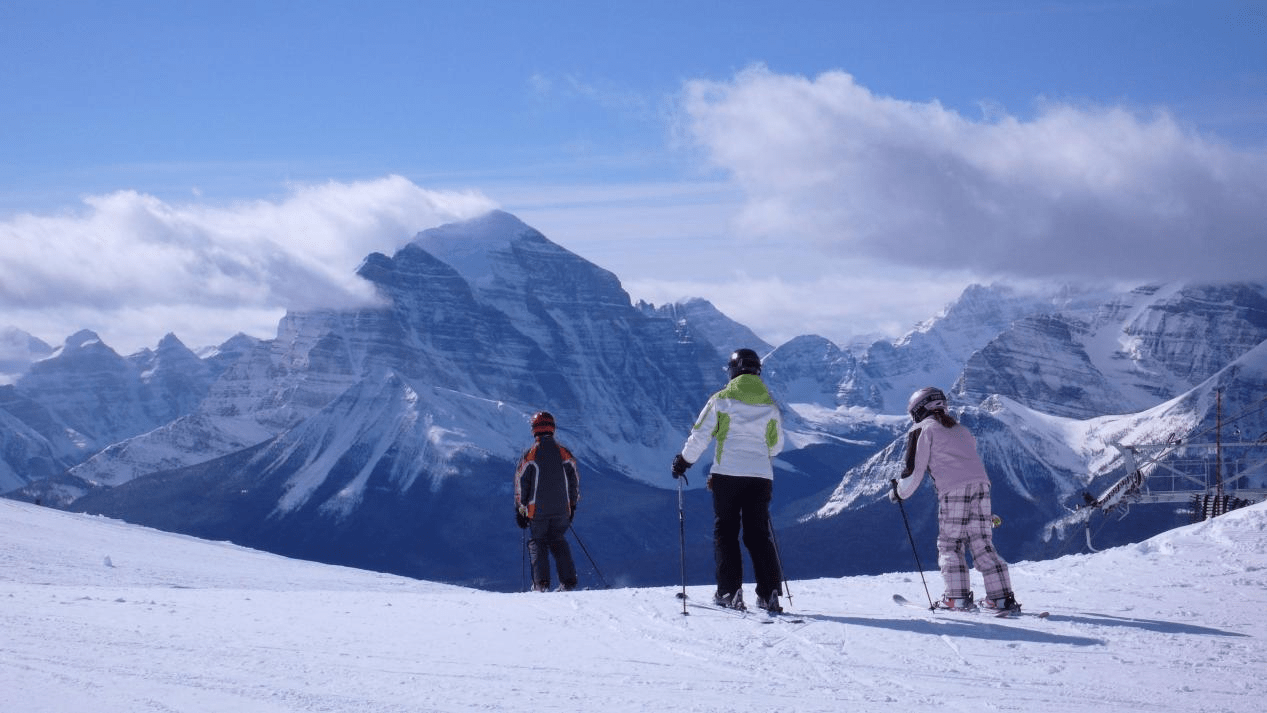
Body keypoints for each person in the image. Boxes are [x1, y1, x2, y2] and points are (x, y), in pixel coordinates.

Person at [672, 348, 786, 612]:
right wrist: (758, 455)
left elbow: (700, 435)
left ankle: (729, 591)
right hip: (760, 478)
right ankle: (769, 593)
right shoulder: (769, 405)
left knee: (726, 532)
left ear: (733, 371)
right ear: (758, 372)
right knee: (758, 534)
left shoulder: (721, 400)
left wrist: (683, 462)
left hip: (728, 476)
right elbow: (777, 445)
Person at [890, 387, 1021, 614]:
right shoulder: (961, 430)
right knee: (982, 543)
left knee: (951, 544)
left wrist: (899, 493)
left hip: (953, 490)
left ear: (919, 410)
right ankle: (1001, 599)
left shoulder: (923, 429)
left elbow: (914, 470)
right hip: (982, 486)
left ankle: (956, 598)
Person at [514, 411, 580, 592]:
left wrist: (520, 510)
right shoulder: (564, 453)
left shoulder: (531, 455)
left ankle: (540, 584)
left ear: (534, 430)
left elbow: (522, 485)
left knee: (538, 542)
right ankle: (568, 582)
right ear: (553, 428)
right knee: (558, 540)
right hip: (562, 511)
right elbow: (574, 480)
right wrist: (572, 505)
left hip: (537, 511)